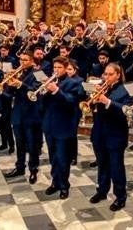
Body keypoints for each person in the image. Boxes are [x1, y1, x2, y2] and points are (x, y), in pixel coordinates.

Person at [88, 63, 133, 211]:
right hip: (99, 132)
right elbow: (91, 108)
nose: (106, 77)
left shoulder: (126, 89)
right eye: (105, 74)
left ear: (118, 75)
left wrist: (107, 101)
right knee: (102, 165)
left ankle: (120, 197)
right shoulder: (102, 87)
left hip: (116, 134)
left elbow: (127, 110)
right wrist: (92, 100)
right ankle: (101, 191)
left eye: (109, 74)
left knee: (116, 167)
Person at [42, 56, 80, 198]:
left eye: (59, 68)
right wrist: (44, 91)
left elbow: (70, 102)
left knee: (63, 158)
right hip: (50, 125)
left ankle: (64, 185)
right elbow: (43, 103)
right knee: (53, 157)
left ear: (65, 68)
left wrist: (57, 91)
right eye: (55, 68)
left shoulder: (72, 83)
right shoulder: (52, 81)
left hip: (63, 126)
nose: (56, 70)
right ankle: (55, 182)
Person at [3, 51, 40, 183]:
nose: (22, 62)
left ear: (32, 61)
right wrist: (7, 84)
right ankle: (20, 167)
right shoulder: (18, 72)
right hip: (18, 113)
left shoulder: (38, 73)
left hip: (31, 113)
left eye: (25, 60)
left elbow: (37, 91)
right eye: (21, 60)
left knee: (32, 144)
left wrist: (20, 84)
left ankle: (33, 170)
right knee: (19, 143)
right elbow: (9, 94)